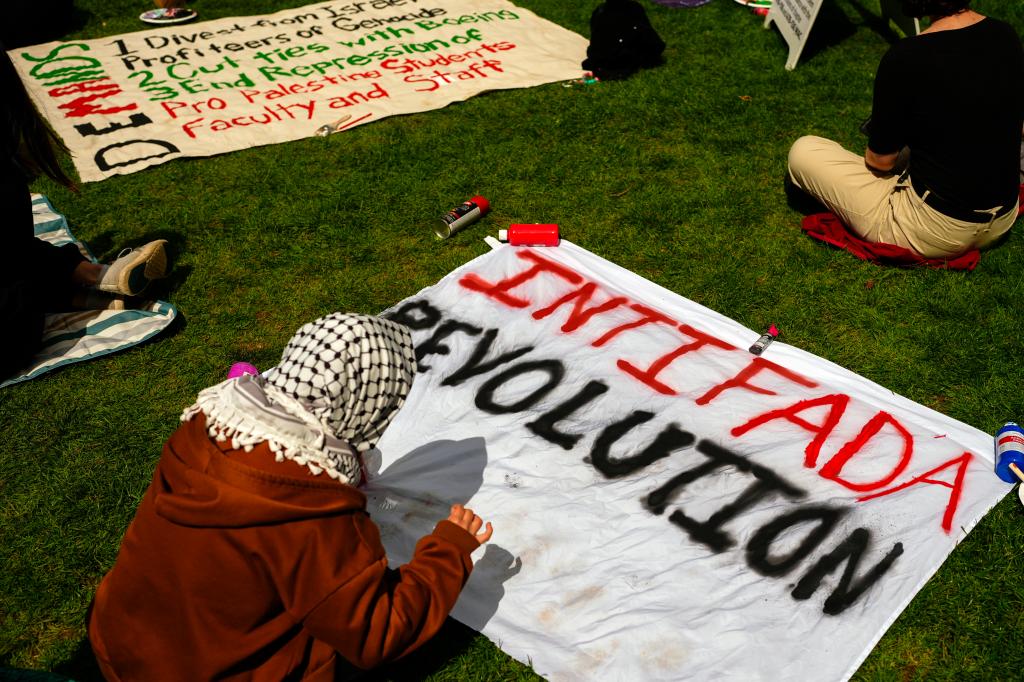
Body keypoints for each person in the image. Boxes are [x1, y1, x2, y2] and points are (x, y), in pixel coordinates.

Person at [88, 312, 494, 681]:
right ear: (366, 405)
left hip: (120, 644)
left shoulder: (207, 421)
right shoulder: (311, 508)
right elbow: (377, 633)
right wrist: (448, 549)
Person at [787, 0, 1024, 259]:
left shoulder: (908, 55)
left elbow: (879, 162)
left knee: (804, 150)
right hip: (1002, 219)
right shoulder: (1005, 34)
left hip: (935, 232)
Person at [1, 44, 169, 379]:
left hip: (12, 331)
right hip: (13, 335)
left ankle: (88, 283)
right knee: (19, 260)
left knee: (17, 263)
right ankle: (92, 280)